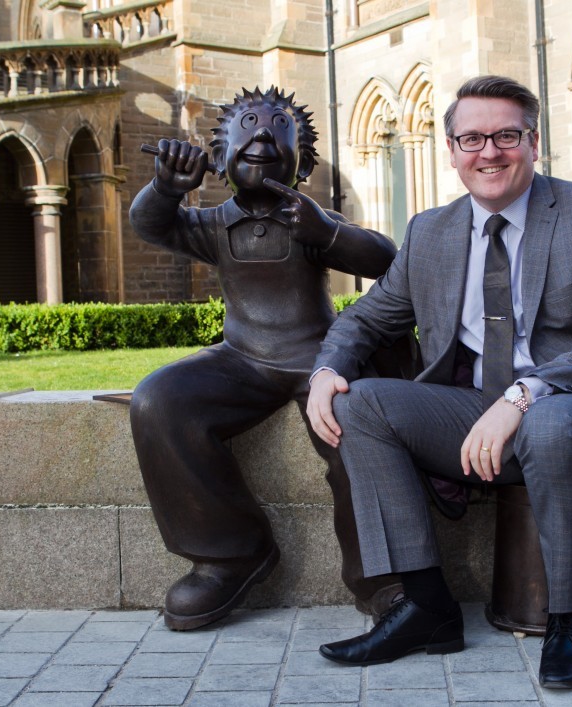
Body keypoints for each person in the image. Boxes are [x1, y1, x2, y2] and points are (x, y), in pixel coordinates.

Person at [305, 75, 572, 688]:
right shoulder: (429, 231)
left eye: (506, 135)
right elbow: (365, 317)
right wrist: (326, 370)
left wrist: (524, 395)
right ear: (450, 149)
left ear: (534, 141)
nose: (488, 152)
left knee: (550, 421)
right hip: (478, 409)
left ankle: (569, 619)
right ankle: (425, 608)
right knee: (361, 404)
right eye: (471, 137)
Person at [128, 86, 402, 632]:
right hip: (242, 360)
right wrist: (163, 188)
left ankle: (381, 577)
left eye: (278, 127)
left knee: (354, 434)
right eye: (248, 123)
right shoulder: (210, 225)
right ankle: (229, 554)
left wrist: (328, 232)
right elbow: (150, 225)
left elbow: (385, 259)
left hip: (317, 361)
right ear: (220, 149)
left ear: (302, 157)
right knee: (159, 400)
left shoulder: (309, 218)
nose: (261, 133)